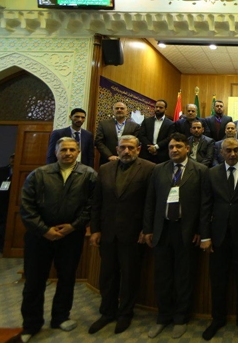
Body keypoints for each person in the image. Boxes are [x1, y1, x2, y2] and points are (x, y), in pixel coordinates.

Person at [18, 137, 97, 342]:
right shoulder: (39, 174)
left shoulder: (89, 174)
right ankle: (31, 324)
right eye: (63, 150)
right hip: (39, 237)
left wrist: (74, 226)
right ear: (56, 152)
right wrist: (44, 230)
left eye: (71, 150)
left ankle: (60, 317)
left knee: (67, 278)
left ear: (78, 152)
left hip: (71, 236)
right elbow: (26, 206)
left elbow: (92, 205)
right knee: (34, 280)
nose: (68, 153)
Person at [143, 133, 211, 338]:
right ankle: (163, 317)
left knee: (184, 277)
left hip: (187, 232)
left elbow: (205, 205)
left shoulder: (201, 170)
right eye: (171, 147)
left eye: (178, 146)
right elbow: (150, 201)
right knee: (162, 277)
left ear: (187, 148)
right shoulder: (158, 170)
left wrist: (201, 231)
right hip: (162, 230)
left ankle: (181, 318)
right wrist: (148, 229)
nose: (174, 150)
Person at [88, 136, 155, 334]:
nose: (127, 151)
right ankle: (107, 312)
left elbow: (151, 203)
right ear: (117, 149)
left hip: (133, 233)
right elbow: (96, 202)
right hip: (108, 232)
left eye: (131, 148)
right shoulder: (105, 169)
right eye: (123, 147)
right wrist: (95, 229)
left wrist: (146, 229)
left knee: (129, 276)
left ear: (138, 149)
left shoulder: (150, 169)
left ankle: (125, 313)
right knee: (107, 275)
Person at [199, 138, 238, 342]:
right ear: (221, 152)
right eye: (228, 150)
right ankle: (217, 319)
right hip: (218, 237)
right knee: (218, 281)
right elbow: (205, 206)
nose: (233, 154)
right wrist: (205, 235)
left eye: (236, 150)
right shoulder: (211, 173)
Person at [138, 99, 174, 164]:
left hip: (161, 155)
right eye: (156, 107)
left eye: (161, 107)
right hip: (146, 153)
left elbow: (169, 138)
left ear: (165, 109)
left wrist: (156, 147)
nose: (158, 109)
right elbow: (141, 135)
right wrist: (150, 147)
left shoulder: (170, 124)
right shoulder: (146, 121)